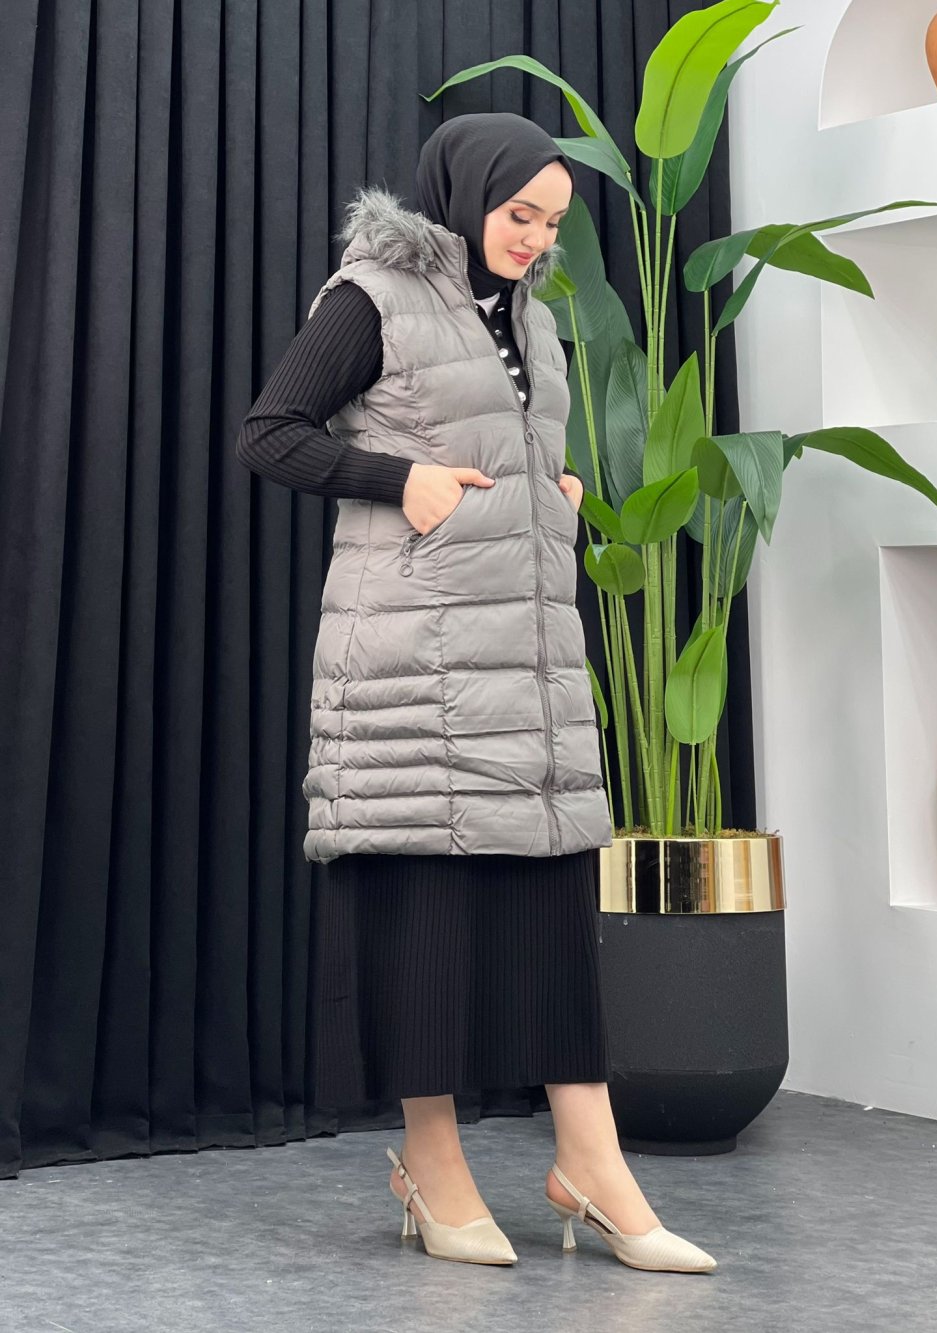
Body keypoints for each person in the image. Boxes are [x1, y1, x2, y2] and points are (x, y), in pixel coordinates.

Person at [236, 112, 716, 1274]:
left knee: (552, 920)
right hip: (412, 665)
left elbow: (507, 449)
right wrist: (396, 478)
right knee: (425, 925)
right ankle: (432, 1165)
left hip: (527, 667)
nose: (535, 239)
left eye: (551, 222)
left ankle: (590, 1164)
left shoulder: (535, 320)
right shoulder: (374, 297)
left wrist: (552, 486)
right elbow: (271, 434)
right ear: (465, 194)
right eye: (519, 215)